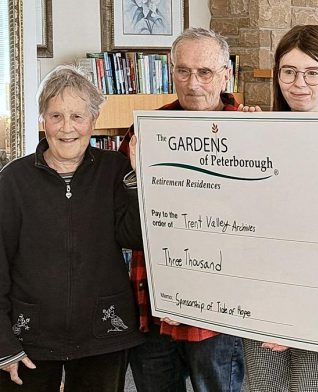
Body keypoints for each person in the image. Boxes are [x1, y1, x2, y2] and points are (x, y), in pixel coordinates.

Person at [0, 65, 143, 391]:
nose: (67, 128)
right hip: (30, 337)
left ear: (93, 120)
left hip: (103, 333)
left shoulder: (115, 169)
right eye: (56, 116)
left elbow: (133, 237)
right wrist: (3, 345)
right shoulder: (13, 181)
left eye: (78, 117)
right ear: (42, 120)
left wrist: (138, 181)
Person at [118, 27, 245, 392]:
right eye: (183, 71)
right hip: (153, 304)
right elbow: (123, 215)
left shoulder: (251, 129)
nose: (192, 83)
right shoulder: (145, 131)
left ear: (225, 74)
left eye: (205, 72)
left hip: (216, 313)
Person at [238, 25, 318, 392]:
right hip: (266, 301)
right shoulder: (255, 134)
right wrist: (236, 141)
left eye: (312, 72)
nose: (298, 83)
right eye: (288, 71)